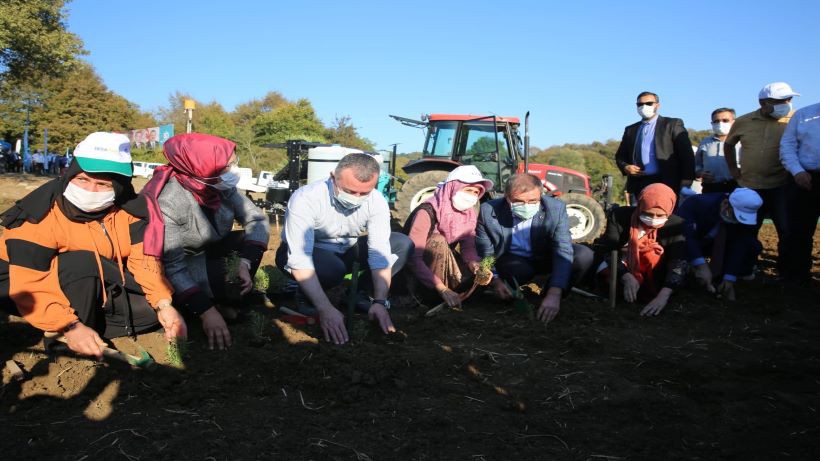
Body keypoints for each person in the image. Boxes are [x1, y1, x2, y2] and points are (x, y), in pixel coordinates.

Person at [0, 132, 187, 359]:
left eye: (102, 184)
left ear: (119, 187)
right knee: (81, 262)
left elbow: (144, 262)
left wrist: (163, 303)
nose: (90, 191)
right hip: (22, 286)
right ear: (69, 175)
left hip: (90, 281)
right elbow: (30, 282)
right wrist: (69, 326)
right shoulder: (37, 216)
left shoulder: (129, 212)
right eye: (82, 180)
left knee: (149, 314)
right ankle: (59, 334)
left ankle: (90, 327)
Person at [140, 133, 270, 351]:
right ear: (201, 167)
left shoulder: (220, 186)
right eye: (227, 167)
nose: (233, 171)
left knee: (245, 243)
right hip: (182, 263)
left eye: (233, 164)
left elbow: (256, 218)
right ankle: (203, 304)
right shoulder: (169, 202)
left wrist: (246, 262)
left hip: (210, 249)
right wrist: (207, 313)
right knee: (214, 276)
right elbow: (173, 266)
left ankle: (224, 299)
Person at [275, 153, 414, 345]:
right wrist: (325, 309)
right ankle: (306, 296)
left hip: (347, 249)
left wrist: (380, 301)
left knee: (401, 244)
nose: (356, 198)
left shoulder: (376, 201)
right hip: (308, 252)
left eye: (364, 193)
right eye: (350, 191)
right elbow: (300, 258)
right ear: (333, 177)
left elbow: (379, 253)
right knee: (333, 269)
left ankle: (358, 294)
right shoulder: (306, 198)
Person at [475, 173, 594, 324]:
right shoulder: (488, 210)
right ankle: (512, 291)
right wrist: (495, 280)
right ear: (506, 197)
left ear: (541, 195)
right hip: (513, 261)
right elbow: (485, 251)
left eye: (533, 201)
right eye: (519, 201)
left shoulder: (555, 208)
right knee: (517, 273)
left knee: (584, 255)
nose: (526, 206)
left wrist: (555, 292)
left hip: (546, 256)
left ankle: (554, 287)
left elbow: (563, 248)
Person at [724, 82, 799, 279]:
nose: (787, 104)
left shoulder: (795, 119)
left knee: (786, 229)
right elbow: (729, 144)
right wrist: (733, 168)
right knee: (747, 229)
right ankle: (747, 268)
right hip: (749, 186)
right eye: (780, 101)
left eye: (788, 99)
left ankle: (786, 272)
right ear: (763, 103)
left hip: (781, 185)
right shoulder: (744, 121)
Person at [403, 165, 492, 307]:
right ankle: (431, 294)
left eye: (476, 192)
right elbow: (414, 257)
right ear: (453, 187)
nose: (471, 196)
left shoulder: (468, 214)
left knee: (477, 283)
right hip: (416, 267)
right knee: (437, 241)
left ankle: (451, 294)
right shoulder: (427, 211)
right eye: (468, 190)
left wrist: (473, 263)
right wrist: (442, 288)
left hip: (440, 260)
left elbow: (468, 246)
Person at [595, 183, 687, 316]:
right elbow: (608, 250)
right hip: (621, 268)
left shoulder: (676, 225)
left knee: (651, 254)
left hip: (657, 276)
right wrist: (626, 276)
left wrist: (663, 296)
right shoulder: (620, 217)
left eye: (660, 215)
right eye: (648, 213)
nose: (653, 220)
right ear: (640, 206)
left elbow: (678, 262)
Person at [676, 188, 763, 300]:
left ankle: (741, 272)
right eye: (735, 215)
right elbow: (686, 236)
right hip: (697, 241)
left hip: (720, 244)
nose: (738, 221)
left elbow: (740, 244)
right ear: (726, 203)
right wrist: (700, 264)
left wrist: (729, 278)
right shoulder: (696, 203)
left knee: (753, 245)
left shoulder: (744, 218)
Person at [615, 91, 695, 200]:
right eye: (640, 104)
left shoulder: (672, 124)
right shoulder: (630, 130)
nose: (644, 106)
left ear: (657, 105)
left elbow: (686, 153)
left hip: (666, 182)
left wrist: (687, 178)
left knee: (666, 215)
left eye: (648, 103)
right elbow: (620, 155)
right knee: (640, 216)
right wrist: (625, 167)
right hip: (639, 184)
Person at [780, 101, 820, 284]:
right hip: (805, 179)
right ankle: (797, 277)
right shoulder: (802, 115)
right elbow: (787, 146)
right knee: (799, 231)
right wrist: (797, 171)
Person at [696, 108, 739, 193]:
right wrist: (700, 173)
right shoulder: (705, 142)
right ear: (712, 123)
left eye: (725, 120)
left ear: (734, 122)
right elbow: (697, 165)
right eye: (716, 121)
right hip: (711, 188)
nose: (720, 123)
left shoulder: (742, 142)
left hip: (736, 188)